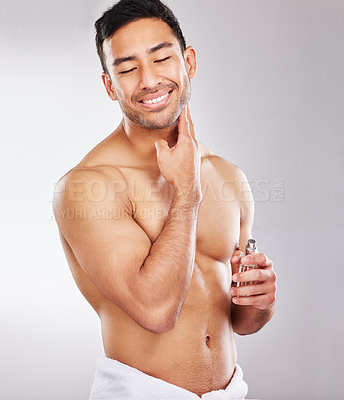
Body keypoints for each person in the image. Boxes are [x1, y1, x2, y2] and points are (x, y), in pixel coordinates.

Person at [53, 0, 277, 398]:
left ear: (188, 63)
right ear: (110, 85)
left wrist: (259, 300)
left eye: (161, 59)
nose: (149, 80)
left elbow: (238, 320)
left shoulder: (228, 176)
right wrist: (187, 193)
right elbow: (156, 311)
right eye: (127, 68)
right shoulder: (89, 185)